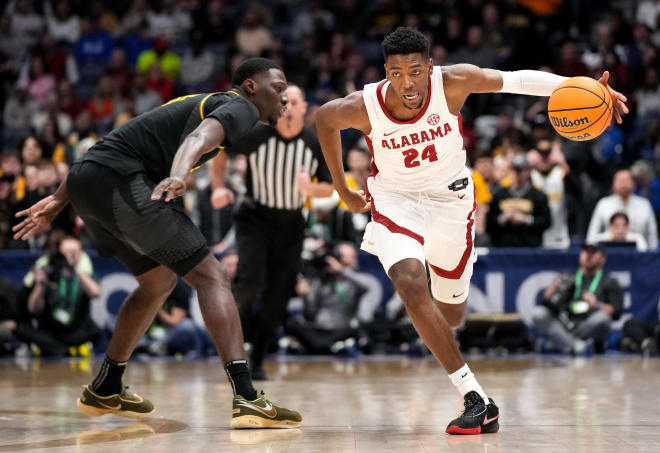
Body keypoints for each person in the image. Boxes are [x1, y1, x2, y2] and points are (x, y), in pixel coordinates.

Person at [315, 26, 627, 435]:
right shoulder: (366, 106)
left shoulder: (454, 82)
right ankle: (475, 397)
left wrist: (582, 88)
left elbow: (516, 80)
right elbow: (323, 119)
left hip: (451, 203)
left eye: (414, 70)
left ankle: (435, 323)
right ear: (385, 73)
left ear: (430, 66)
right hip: (395, 201)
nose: (407, 83)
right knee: (409, 281)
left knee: (452, 315)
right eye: (395, 73)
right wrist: (343, 188)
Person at [13, 58, 301, 429]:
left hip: (86, 180)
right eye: (278, 89)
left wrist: (59, 199)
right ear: (249, 87)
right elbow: (198, 139)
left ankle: (106, 385)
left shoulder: (200, 102)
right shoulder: (239, 106)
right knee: (212, 277)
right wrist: (180, 175)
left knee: (158, 283)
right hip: (122, 182)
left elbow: (107, 147)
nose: (285, 99)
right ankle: (246, 396)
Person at [210, 84, 333, 380]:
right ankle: (233, 355)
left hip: (291, 224)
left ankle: (259, 358)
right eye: (284, 102)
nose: (288, 107)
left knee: (278, 297)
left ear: (305, 108)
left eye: (294, 102)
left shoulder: (314, 143)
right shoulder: (256, 135)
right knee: (249, 283)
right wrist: (217, 187)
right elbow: (219, 148)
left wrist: (310, 189)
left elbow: (328, 186)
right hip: (255, 218)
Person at [532, 243, 624, 354]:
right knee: (538, 313)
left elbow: (617, 313)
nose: (588, 256)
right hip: (566, 323)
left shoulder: (609, 281)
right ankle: (578, 346)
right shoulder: (569, 277)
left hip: (588, 326)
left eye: (593, 253)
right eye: (585, 252)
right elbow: (546, 303)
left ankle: (557, 344)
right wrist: (553, 288)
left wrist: (597, 304)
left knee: (603, 319)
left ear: (603, 259)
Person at [487, 153, 552, 247]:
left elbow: (547, 221)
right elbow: (488, 223)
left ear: (529, 171)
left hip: (530, 247)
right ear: (510, 171)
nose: (518, 173)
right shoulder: (499, 195)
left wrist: (526, 219)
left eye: (521, 170)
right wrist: (503, 218)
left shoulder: (538, 195)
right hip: (503, 247)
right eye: (515, 169)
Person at [587, 169, 658, 250]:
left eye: (627, 180)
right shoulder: (603, 204)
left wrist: (653, 257)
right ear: (613, 184)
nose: (623, 183)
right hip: (608, 253)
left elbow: (652, 236)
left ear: (633, 183)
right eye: (620, 180)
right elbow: (592, 234)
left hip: (638, 254)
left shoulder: (644, 204)